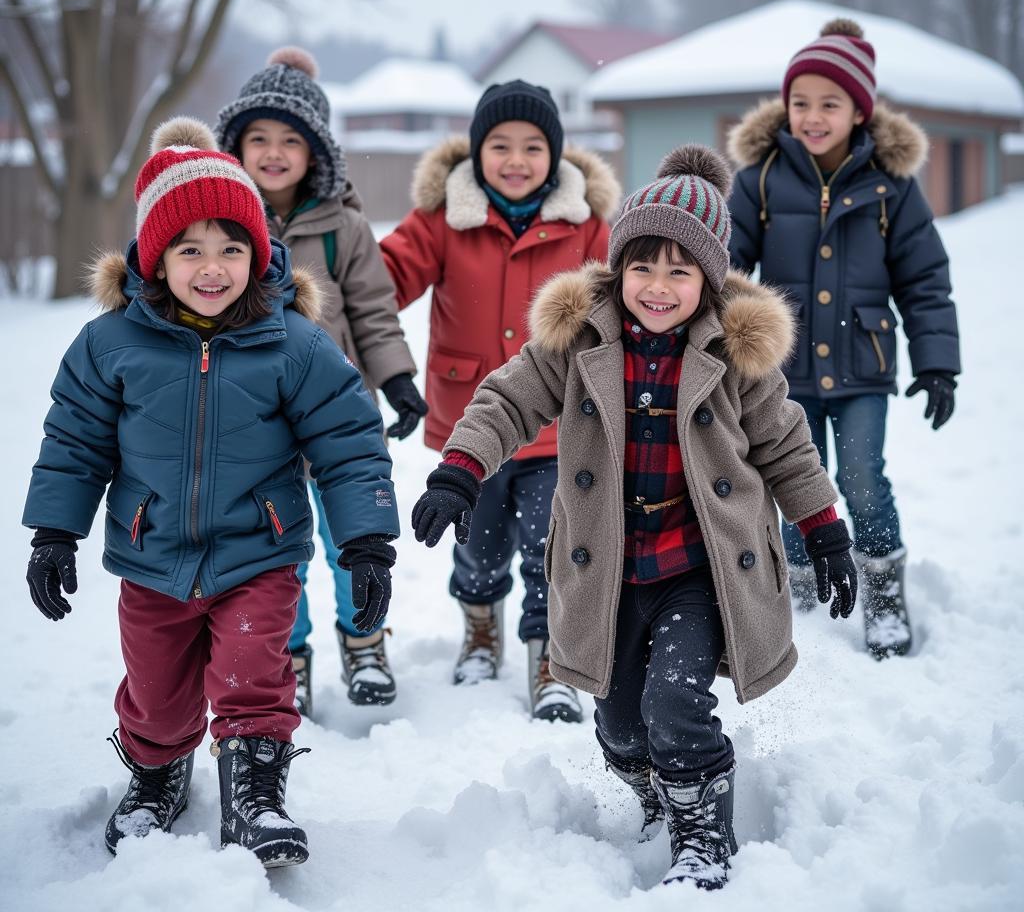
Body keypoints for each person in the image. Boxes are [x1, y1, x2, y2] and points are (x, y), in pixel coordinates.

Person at [410, 145, 857, 889]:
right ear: (618, 269)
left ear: (709, 281)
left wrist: (825, 530)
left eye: (680, 272)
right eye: (643, 268)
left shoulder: (735, 355)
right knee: (619, 725)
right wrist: (460, 472)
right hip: (610, 565)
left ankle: (702, 834)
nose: (658, 287)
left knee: (675, 701)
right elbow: (505, 400)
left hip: (698, 568)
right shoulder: (582, 339)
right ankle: (657, 789)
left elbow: (787, 448)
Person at [22, 117, 399, 866]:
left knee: (253, 677)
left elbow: (349, 439)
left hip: (259, 552)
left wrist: (364, 541)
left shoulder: (292, 342)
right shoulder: (110, 345)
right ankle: (157, 772)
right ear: (155, 258)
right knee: (157, 695)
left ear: (257, 255)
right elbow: (74, 442)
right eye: (189, 249)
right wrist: (54, 533)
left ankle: (256, 791)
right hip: (152, 553)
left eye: (232, 248)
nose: (213, 266)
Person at [378, 80, 617, 722]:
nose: (515, 160)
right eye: (501, 145)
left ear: (556, 156)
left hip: (558, 422)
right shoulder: (444, 221)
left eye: (532, 147)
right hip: (470, 425)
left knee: (552, 544)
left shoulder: (588, 224)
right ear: (476, 152)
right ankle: (481, 629)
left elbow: (626, 303)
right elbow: (382, 281)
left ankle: (550, 656)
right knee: (478, 546)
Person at [726, 17, 961, 659]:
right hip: (784, 369)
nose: (812, 116)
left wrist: (937, 362)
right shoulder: (762, 181)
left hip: (864, 365)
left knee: (860, 477)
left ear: (859, 111)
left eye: (829, 103)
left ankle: (884, 592)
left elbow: (924, 279)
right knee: (797, 480)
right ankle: (800, 590)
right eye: (799, 102)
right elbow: (722, 265)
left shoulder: (892, 189)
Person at [216, 46, 424, 713]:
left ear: (316, 153)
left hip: (336, 420)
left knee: (350, 541)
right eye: (259, 139)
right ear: (236, 147)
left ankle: (364, 645)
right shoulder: (221, 228)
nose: (273, 153)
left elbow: (373, 312)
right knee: (281, 557)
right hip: (255, 427)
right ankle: (289, 656)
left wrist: (395, 381)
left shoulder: (345, 229)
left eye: (290, 141)